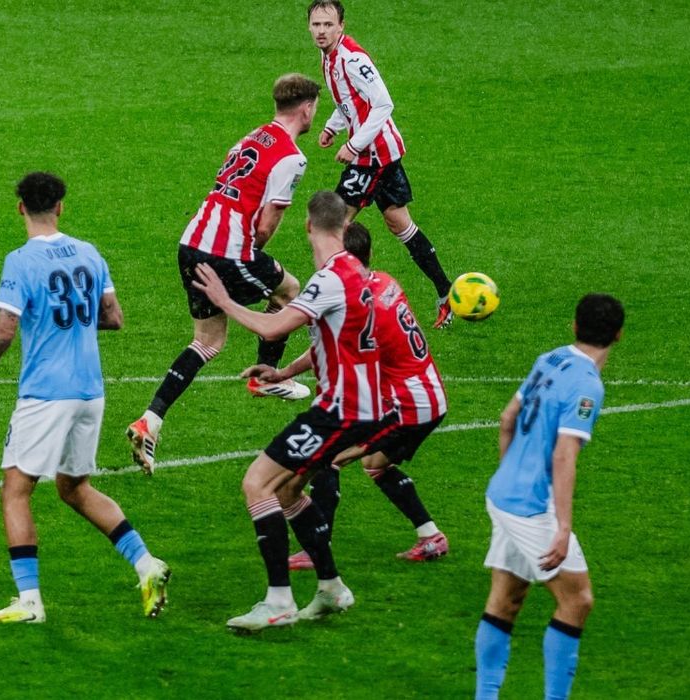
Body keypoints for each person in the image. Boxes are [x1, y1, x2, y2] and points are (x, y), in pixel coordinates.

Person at [0, 172, 170, 624]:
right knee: (74, 488)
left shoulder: (20, 261)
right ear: (61, 207)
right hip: (90, 391)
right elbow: (113, 318)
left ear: (20, 209)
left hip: (46, 394)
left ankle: (29, 601)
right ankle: (147, 564)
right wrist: (69, 322)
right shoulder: (90, 254)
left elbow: (5, 329)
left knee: (15, 490)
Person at [193, 191, 397, 632]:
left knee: (257, 483)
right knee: (286, 492)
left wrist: (225, 301)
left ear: (308, 227)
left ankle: (278, 600)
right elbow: (334, 337)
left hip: (339, 409)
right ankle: (331, 588)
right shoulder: (360, 273)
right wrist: (282, 370)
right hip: (363, 406)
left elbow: (273, 324)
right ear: (344, 227)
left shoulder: (328, 280)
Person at [127, 73, 322, 475]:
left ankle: (150, 421)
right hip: (225, 251)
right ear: (307, 107)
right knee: (289, 292)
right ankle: (266, 377)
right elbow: (266, 225)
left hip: (191, 241)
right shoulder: (292, 157)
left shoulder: (253, 136)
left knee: (208, 341)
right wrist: (250, 257)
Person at [245, 223, 448, 569]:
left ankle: (316, 547)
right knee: (375, 463)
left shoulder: (359, 303)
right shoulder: (385, 283)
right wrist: (284, 374)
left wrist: (283, 372)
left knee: (330, 456)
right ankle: (431, 536)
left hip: (408, 405)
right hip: (429, 394)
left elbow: (329, 349)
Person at [475, 294, 624, 700]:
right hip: (530, 509)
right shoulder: (587, 386)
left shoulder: (552, 357)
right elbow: (564, 454)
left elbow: (507, 419)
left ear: (574, 326)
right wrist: (562, 528)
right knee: (578, 601)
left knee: (507, 599)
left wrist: (509, 474)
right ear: (618, 335)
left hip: (503, 494)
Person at [307, 1, 455, 329]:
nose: (321, 31)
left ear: (341, 26)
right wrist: (334, 125)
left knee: (330, 228)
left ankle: (334, 308)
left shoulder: (352, 58)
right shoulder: (328, 55)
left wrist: (353, 144)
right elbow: (351, 100)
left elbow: (383, 102)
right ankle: (446, 293)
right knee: (399, 223)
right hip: (381, 156)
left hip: (371, 158)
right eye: (316, 25)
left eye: (328, 25)